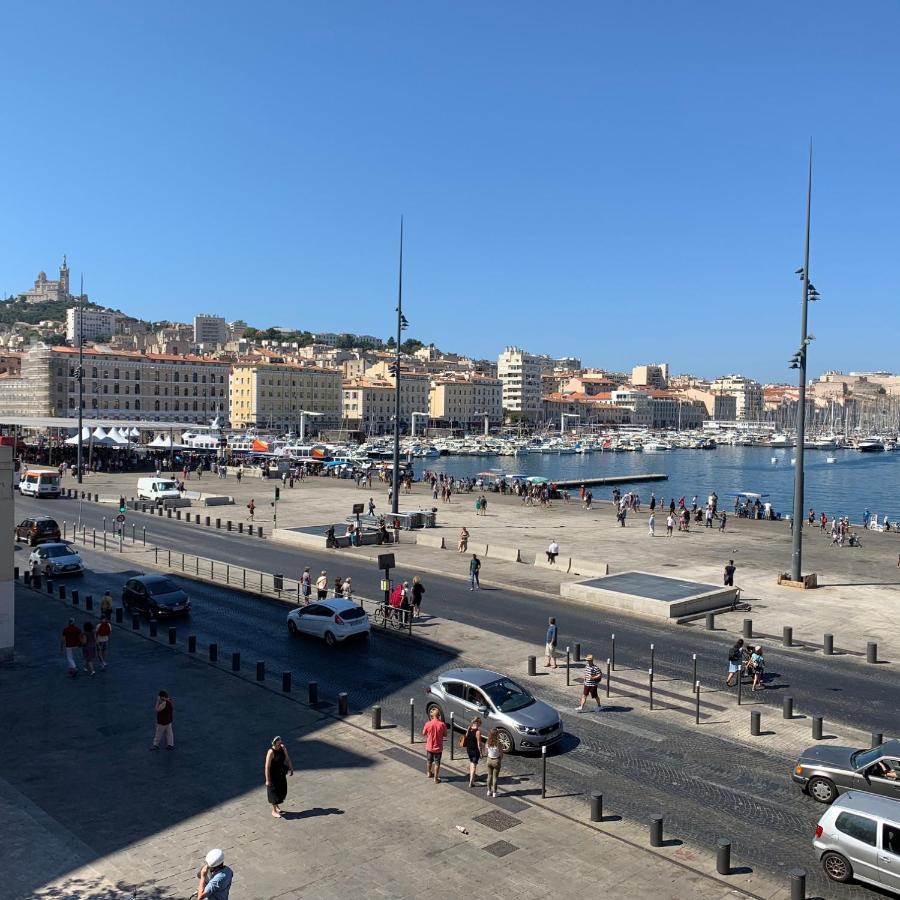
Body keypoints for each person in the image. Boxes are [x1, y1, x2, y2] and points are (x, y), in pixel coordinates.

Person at [264, 735, 294, 818]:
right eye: (279, 741)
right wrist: (267, 780)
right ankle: (273, 810)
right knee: (274, 792)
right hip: (273, 775)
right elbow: (267, 767)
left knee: (282, 790)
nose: (281, 742)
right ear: (275, 742)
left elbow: (287, 758)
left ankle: (277, 807)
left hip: (281, 773)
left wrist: (291, 768)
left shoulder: (283, 748)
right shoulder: (271, 752)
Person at [422, 706, 448, 783]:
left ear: (431, 716)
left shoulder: (428, 724)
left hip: (429, 747)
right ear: (439, 715)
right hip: (438, 747)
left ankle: (429, 773)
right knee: (437, 763)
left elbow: (423, 733)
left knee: (429, 761)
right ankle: (436, 778)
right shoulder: (442, 724)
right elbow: (445, 734)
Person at [462, 716, 483, 788]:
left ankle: (472, 777)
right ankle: (471, 782)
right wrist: (481, 753)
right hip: (475, 750)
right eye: (480, 723)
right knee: (474, 765)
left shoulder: (469, 728)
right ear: (478, 723)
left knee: (471, 763)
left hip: (469, 749)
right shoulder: (478, 732)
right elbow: (479, 744)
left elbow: (466, 737)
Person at [484, 728, 504, 798]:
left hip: (489, 760)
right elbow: (501, 754)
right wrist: (500, 759)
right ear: (497, 735)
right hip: (496, 760)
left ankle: (489, 791)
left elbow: (486, 752)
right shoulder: (498, 743)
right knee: (495, 777)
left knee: (489, 776)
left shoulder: (487, 742)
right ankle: (495, 793)